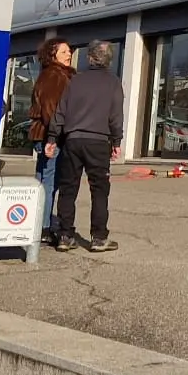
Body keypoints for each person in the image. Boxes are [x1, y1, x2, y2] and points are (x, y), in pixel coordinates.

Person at [45, 41, 123, 252]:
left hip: (73, 140)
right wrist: (117, 141)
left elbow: (60, 111)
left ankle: (65, 236)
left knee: (68, 188)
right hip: (98, 141)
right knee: (99, 190)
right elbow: (116, 116)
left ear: (89, 58)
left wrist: (52, 138)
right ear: (109, 60)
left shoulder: (75, 80)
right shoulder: (113, 83)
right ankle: (99, 237)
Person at [27, 37, 74, 243]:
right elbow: (50, 109)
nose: (69, 54)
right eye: (64, 51)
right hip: (50, 136)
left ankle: (37, 222)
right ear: (52, 55)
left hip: (49, 135)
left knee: (43, 179)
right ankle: (43, 227)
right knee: (49, 181)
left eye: (69, 51)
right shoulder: (54, 75)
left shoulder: (58, 74)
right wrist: (55, 136)